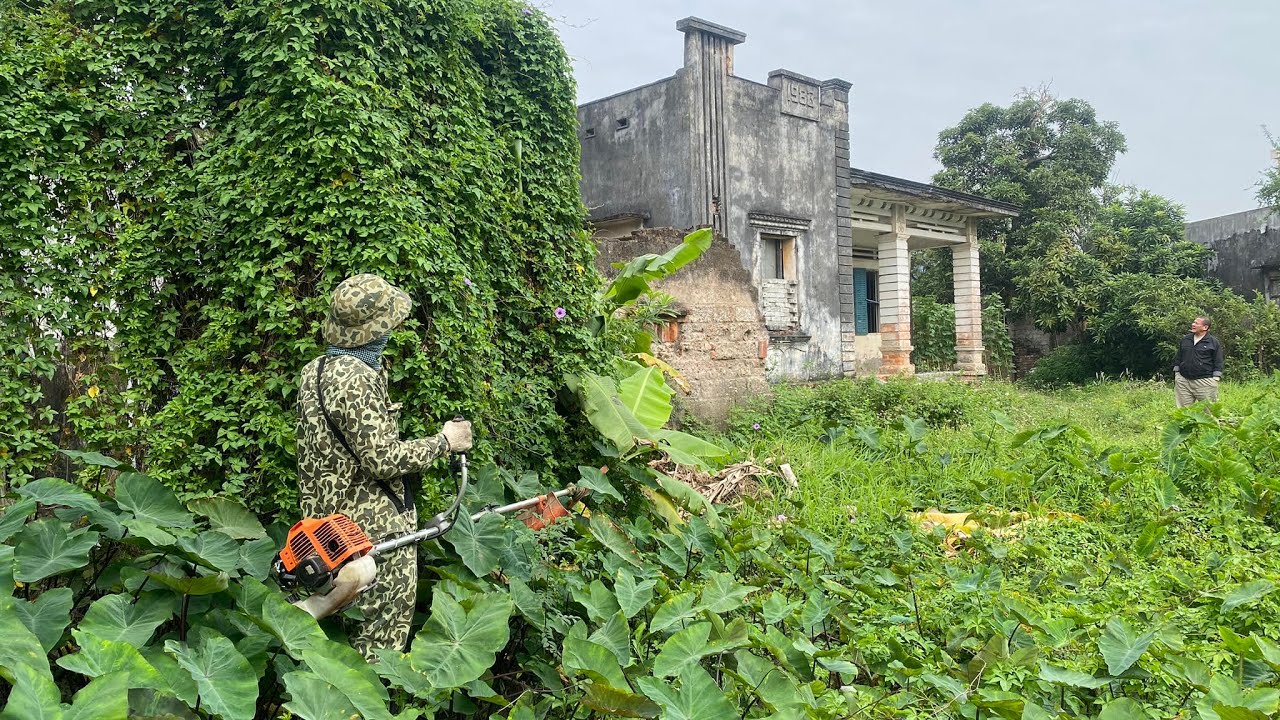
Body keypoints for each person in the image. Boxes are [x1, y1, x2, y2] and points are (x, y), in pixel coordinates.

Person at [295, 273, 472, 660]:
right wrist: (445, 442)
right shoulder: (357, 378)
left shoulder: (314, 372)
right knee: (379, 647)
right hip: (371, 537)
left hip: (324, 533)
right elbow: (382, 460)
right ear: (377, 329)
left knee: (334, 648)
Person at [1172, 315, 1224, 408]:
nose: (1193, 324)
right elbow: (1179, 357)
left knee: (1209, 413)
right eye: (1193, 322)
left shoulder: (1213, 342)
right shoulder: (1186, 339)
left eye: (1196, 323)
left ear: (1205, 327)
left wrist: (1215, 378)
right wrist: (1177, 374)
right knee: (1183, 413)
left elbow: (1218, 361)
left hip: (1205, 381)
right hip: (1183, 381)